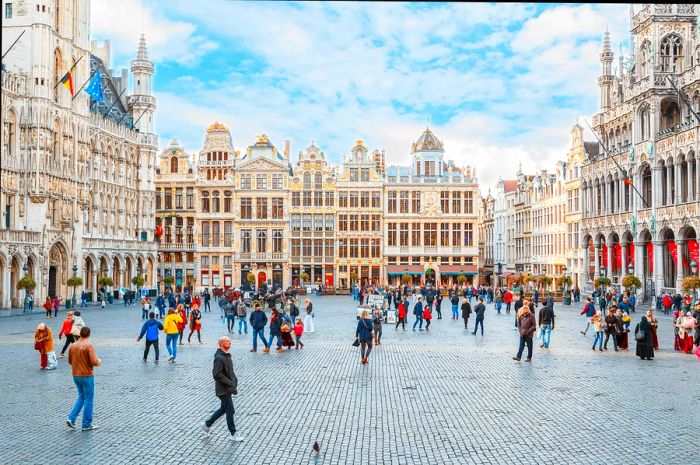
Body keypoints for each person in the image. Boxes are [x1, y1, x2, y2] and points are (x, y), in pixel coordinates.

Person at [201, 336, 244, 442]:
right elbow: (216, 374)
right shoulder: (220, 358)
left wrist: (234, 380)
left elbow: (230, 371)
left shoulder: (227, 356)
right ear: (221, 344)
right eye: (227, 342)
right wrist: (229, 383)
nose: (229, 343)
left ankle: (206, 425)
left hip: (228, 388)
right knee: (230, 410)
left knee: (223, 409)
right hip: (223, 389)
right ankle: (233, 433)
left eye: (230, 341)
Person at [66, 326, 101, 431]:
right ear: (89, 335)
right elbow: (94, 361)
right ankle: (86, 424)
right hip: (86, 375)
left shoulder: (73, 346)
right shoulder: (88, 345)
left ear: (80, 334)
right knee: (88, 399)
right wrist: (99, 361)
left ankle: (71, 418)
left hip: (75, 375)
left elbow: (70, 361)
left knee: (81, 397)